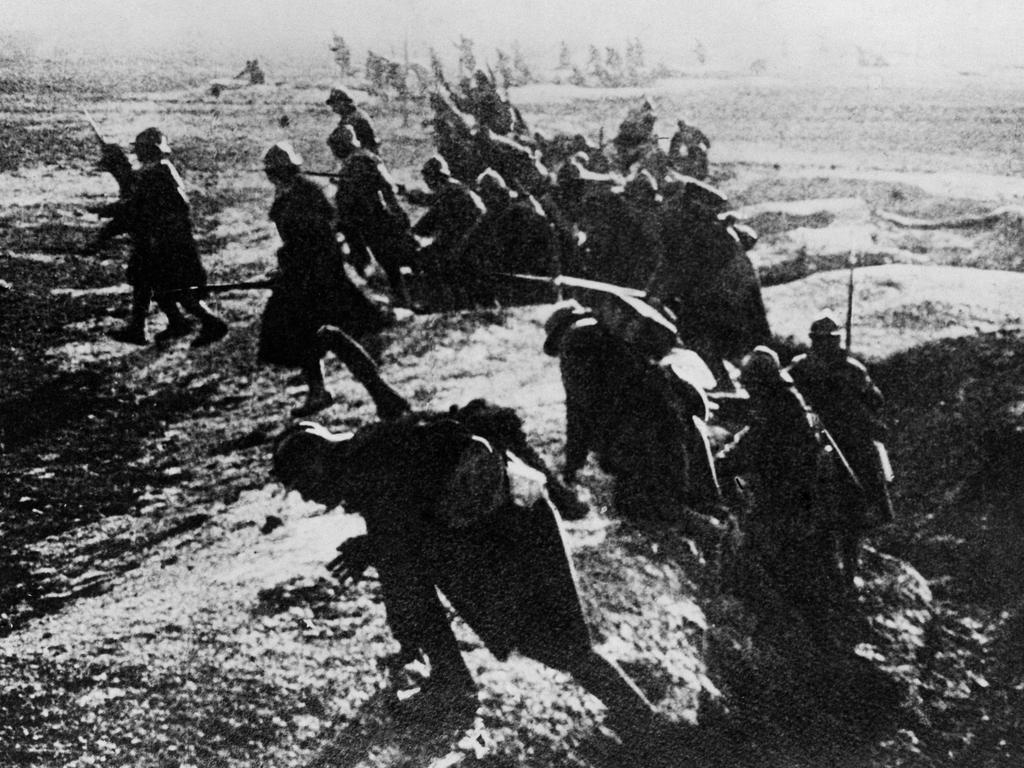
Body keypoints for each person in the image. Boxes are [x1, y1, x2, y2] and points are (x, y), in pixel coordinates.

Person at [272, 404, 658, 738]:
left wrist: (378, 561)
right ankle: (646, 727)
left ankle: (650, 733)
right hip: (516, 521)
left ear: (317, 458)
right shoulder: (370, 452)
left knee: (560, 645)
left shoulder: (370, 465)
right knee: (564, 647)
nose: (307, 496)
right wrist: (376, 551)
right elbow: (406, 534)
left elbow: (401, 562)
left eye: (304, 483)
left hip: (516, 530)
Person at [717, 347, 851, 630]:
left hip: (788, 501)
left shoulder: (777, 410)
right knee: (813, 565)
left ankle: (792, 629)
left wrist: (719, 462)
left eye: (750, 384)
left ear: (759, 382)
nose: (748, 390)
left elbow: (750, 446)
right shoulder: (787, 400)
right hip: (808, 498)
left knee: (767, 555)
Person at [258, 141, 390, 417]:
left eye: (275, 171)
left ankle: (372, 385)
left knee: (324, 327)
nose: (273, 177)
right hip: (308, 273)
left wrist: (289, 267)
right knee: (310, 331)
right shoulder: (293, 195)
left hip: (318, 274)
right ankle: (322, 389)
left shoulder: (304, 195)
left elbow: (314, 237)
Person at [87, 127, 228, 348]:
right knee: (150, 283)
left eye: (141, 149)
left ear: (147, 150)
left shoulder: (155, 173)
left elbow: (134, 205)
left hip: (168, 242)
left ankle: (211, 323)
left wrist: (103, 212)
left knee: (174, 289)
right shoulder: (159, 171)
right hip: (165, 239)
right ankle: (159, 325)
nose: (138, 154)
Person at [787, 317, 894, 573]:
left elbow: (874, 401)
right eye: (822, 340)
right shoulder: (802, 368)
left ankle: (849, 563)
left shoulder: (851, 370)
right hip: (815, 436)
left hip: (848, 441)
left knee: (858, 495)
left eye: (830, 340)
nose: (826, 345)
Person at [331, 125, 415, 307]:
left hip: (372, 218)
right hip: (367, 218)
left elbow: (385, 187)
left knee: (387, 260)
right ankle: (397, 297)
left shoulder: (359, 161)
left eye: (335, 147)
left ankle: (400, 299)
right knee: (385, 261)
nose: (334, 152)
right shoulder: (365, 158)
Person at [458, 169, 558, 306]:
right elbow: (471, 240)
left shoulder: (521, 209)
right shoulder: (497, 210)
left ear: (498, 192)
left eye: (488, 194)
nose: (487, 200)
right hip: (516, 273)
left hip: (532, 274)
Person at [409, 156, 485, 307]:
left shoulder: (448, 191)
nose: (425, 181)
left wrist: (412, 232)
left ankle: (440, 301)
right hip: (471, 235)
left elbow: (430, 220)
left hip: (467, 240)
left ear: (433, 177)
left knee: (427, 258)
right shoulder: (454, 187)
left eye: (427, 177)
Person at [326, 88, 380, 156]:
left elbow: (368, 144)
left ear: (342, 103)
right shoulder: (352, 116)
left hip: (364, 158)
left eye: (335, 104)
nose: (333, 108)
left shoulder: (356, 118)